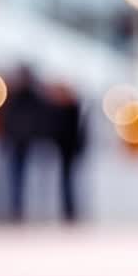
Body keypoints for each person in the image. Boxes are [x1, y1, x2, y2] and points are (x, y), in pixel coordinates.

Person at [0, 65, 47, 222]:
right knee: (15, 177)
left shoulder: (28, 97)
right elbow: (7, 120)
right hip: (17, 142)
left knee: (21, 177)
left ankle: (20, 209)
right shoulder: (18, 96)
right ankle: (16, 209)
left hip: (25, 142)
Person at [46, 83, 86, 223]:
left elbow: (71, 132)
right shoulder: (70, 109)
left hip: (68, 149)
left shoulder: (71, 110)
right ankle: (67, 209)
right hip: (64, 149)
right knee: (66, 180)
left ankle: (69, 210)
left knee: (68, 180)